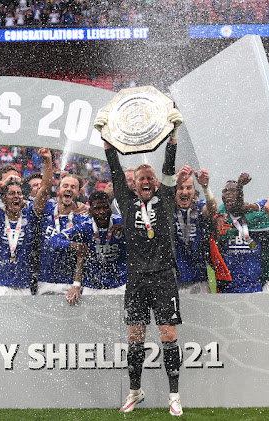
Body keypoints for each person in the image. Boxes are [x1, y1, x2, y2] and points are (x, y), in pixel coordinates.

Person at [96, 107, 184, 416]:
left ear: (156, 183)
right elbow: (115, 167)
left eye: (149, 177)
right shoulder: (126, 198)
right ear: (134, 184)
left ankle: (174, 396)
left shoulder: (167, 198)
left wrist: (173, 133)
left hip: (163, 277)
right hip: (135, 278)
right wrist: (104, 135)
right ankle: (136, 391)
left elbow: (169, 165)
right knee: (135, 338)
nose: (144, 181)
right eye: (140, 178)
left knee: (168, 336)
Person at [0, 143, 52, 295]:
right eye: (11, 194)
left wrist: (47, 161)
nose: (16, 196)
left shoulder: (30, 215)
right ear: (4, 198)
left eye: (19, 194)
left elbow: (45, 189)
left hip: (23, 285)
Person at [52, 191, 126, 302]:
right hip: (92, 287)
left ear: (110, 208)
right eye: (97, 208)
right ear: (90, 210)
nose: (102, 212)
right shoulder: (85, 226)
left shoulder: (120, 222)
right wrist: (72, 244)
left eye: (105, 207)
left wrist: (128, 228)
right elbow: (53, 241)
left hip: (120, 285)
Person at [216, 173, 269, 293]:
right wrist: (239, 188)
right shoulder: (265, 208)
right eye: (225, 191)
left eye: (232, 191)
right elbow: (238, 208)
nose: (228, 193)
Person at [37, 173, 88, 295]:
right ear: (58, 190)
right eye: (65, 186)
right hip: (44, 281)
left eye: (73, 187)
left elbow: (82, 253)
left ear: (78, 194)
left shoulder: (83, 218)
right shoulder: (47, 208)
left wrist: (76, 284)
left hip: (69, 283)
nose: (69, 189)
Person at [174, 167, 217, 294]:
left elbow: (213, 210)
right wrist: (174, 181)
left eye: (189, 188)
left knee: (203, 313)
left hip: (200, 279)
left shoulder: (199, 206)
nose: (185, 192)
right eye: (180, 188)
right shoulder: (167, 208)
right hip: (174, 280)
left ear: (194, 190)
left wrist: (205, 187)